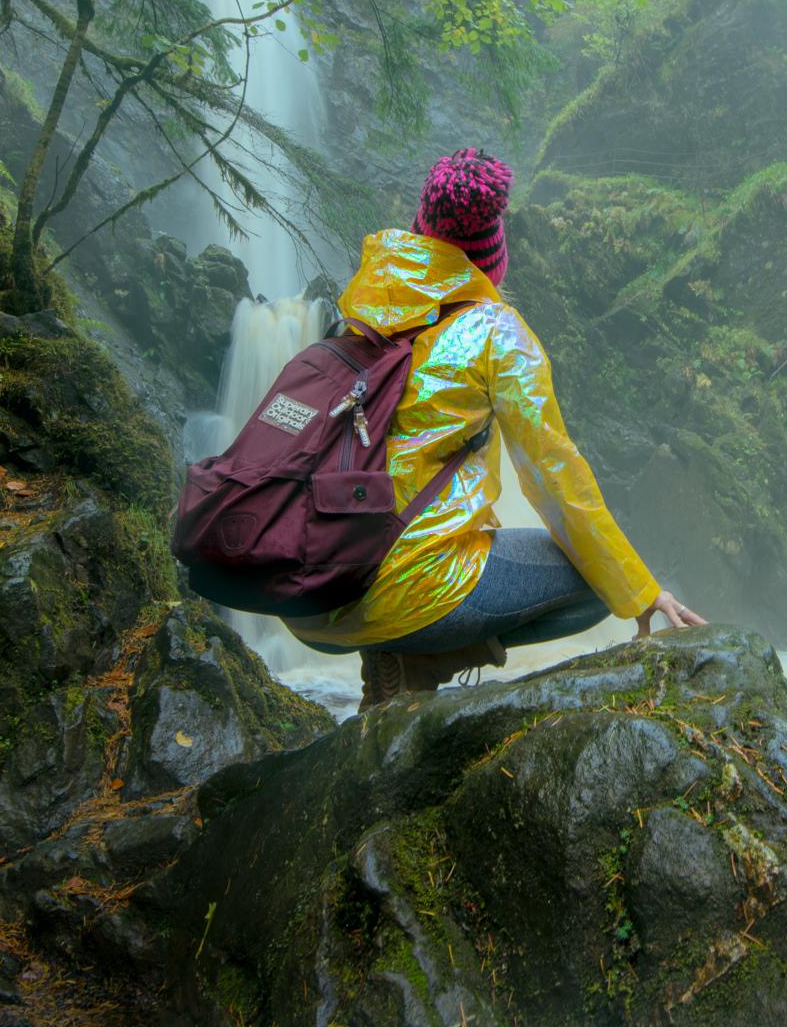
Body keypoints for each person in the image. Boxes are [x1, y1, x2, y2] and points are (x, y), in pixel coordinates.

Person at [286, 148, 706, 707]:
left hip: (306, 590)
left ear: (420, 233)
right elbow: (556, 479)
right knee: (597, 581)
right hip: (401, 594)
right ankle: (415, 663)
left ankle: (393, 660)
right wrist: (642, 591)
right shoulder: (495, 333)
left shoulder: (360, 308)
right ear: (492, 256)